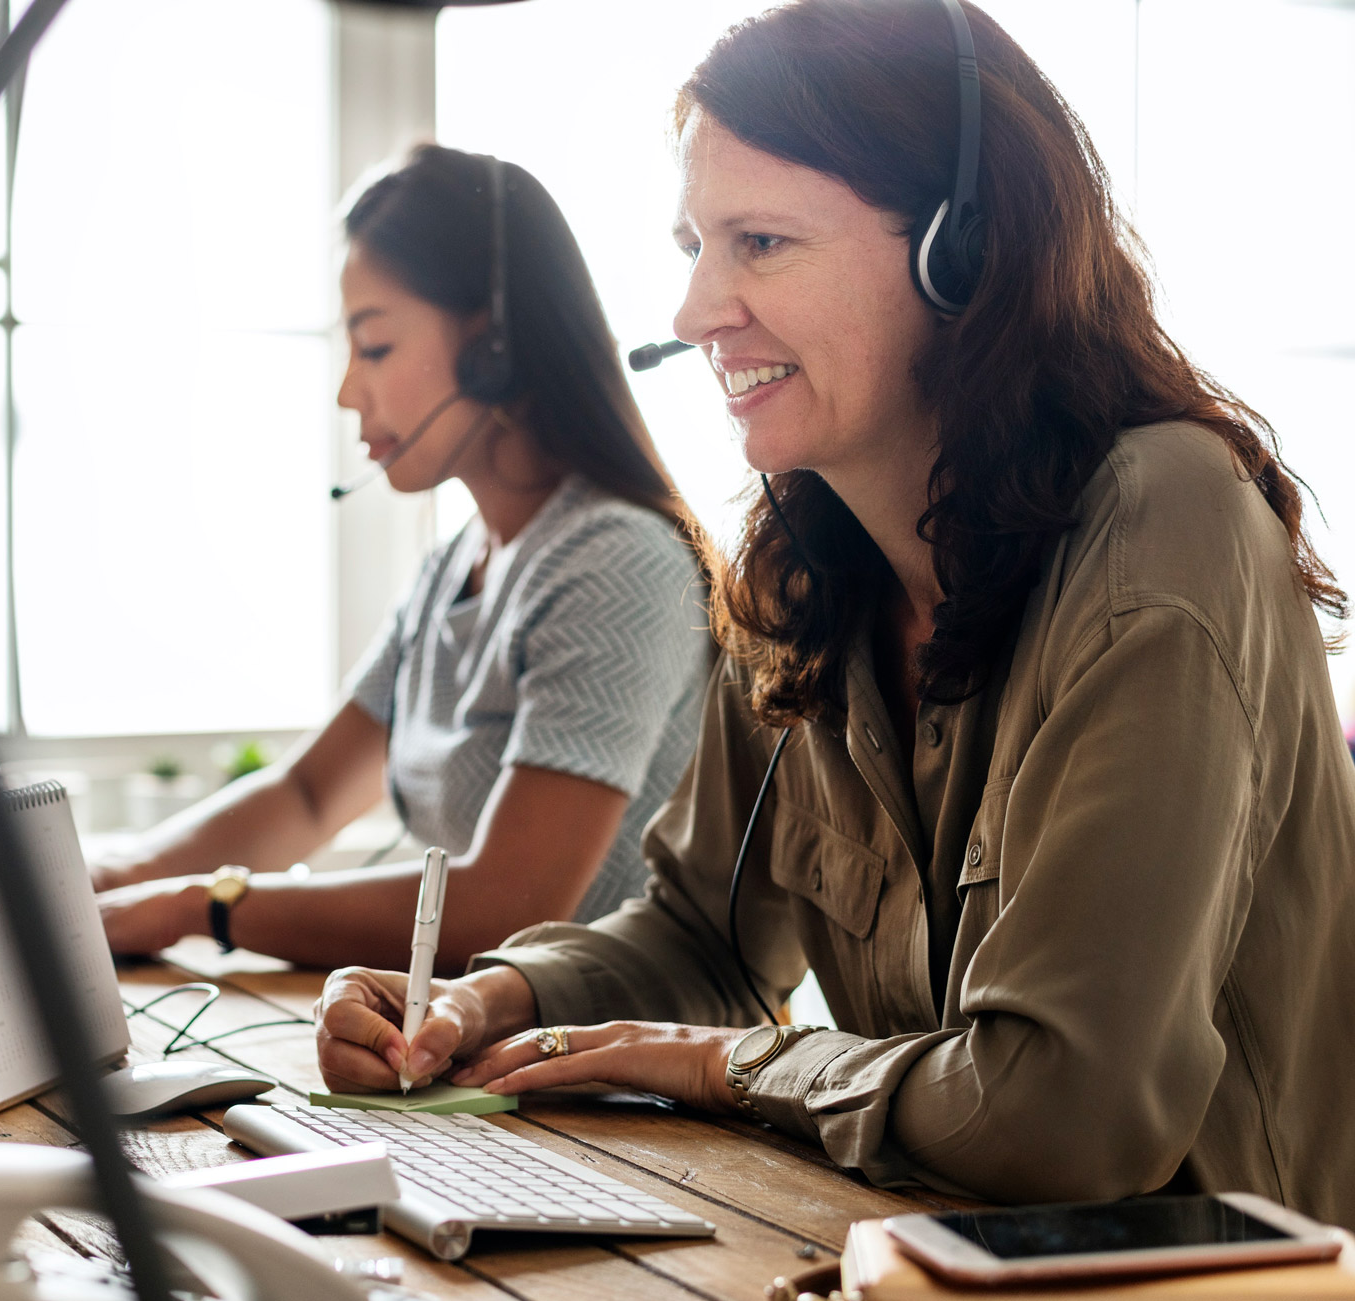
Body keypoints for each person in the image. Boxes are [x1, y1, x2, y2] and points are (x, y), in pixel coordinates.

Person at [315, 0, 1355, 1225]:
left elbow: (1064, 1109)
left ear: (957, 253)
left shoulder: (1166, 520)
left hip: (1225, 1295)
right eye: (694, 243)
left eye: (759, 241)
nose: (697, 309)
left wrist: (722, 1065)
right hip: (930, 1269)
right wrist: (487, 999)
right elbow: (703, 936)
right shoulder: (808, 565)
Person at [91, 146, 715, 973]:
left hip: (606, 1079)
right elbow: (307, 795)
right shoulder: (456, 564)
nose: (349, 391)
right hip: (467, 1054)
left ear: (495, 348)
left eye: (376, 347)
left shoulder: (617, 563)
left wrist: (200, 907)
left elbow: (499, 912)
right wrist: (113, 878)